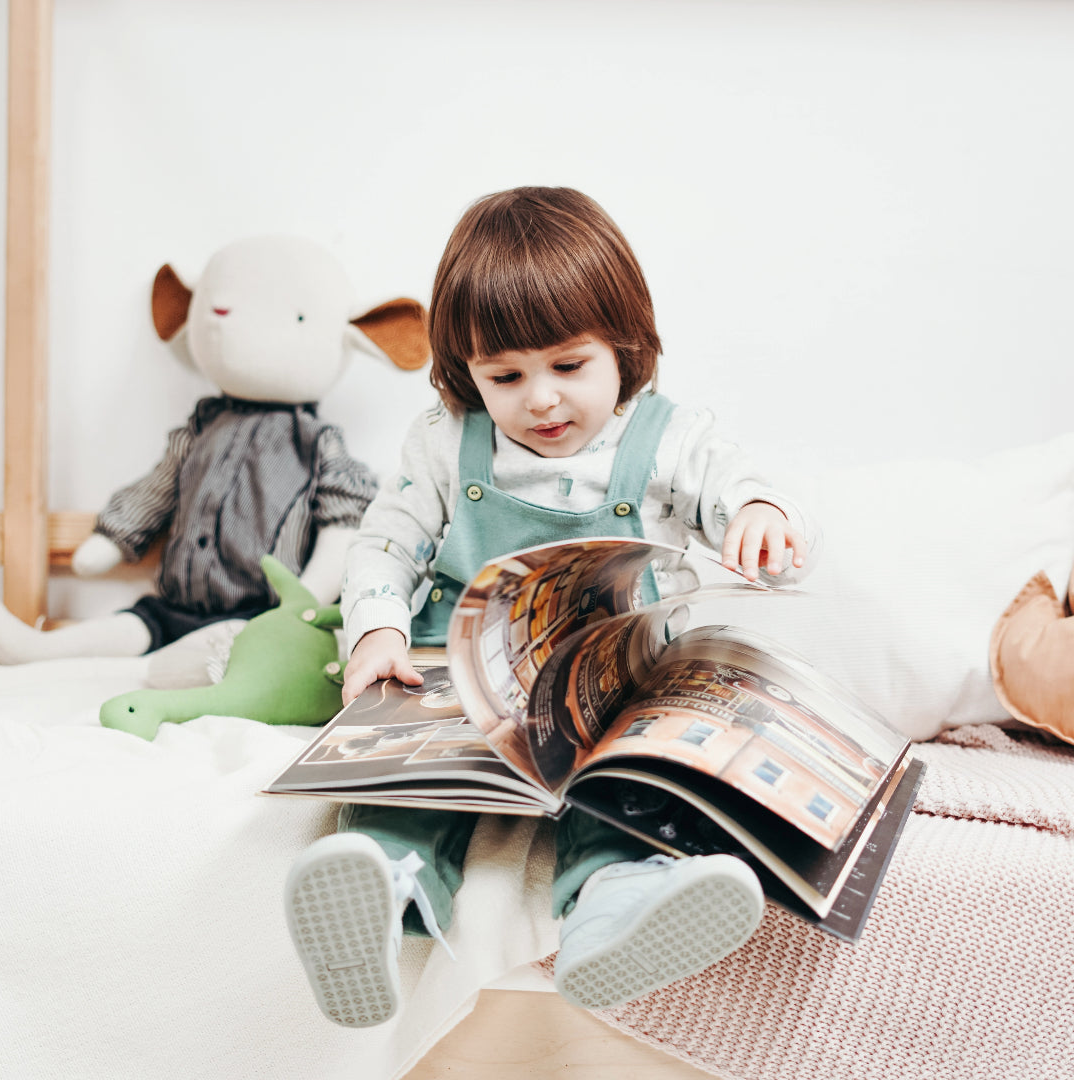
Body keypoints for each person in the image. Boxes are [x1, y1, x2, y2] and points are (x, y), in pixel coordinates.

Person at [284, 186, 820, 1028]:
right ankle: (376, 889)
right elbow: (385, 542)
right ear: (468, 373)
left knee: (624, 783)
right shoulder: (444, 439)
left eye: (569, 366)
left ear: (625, 347)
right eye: (505, 376)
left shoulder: (671, 438)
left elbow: (740, 488)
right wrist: (377, 631)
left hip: (608, 672)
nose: (540, 400)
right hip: (466, 663)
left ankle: (613, 907)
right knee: (414, 775)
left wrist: (762, 517)